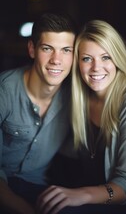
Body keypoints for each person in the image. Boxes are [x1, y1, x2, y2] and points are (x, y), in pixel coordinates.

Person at [36, 20, 126, 214]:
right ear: (78, 63)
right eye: (87, 59)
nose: (96, 67)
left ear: (117, 59)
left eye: (105, 57)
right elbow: (60, 150)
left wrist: (80, 194)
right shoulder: (80, 99)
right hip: (95, 199)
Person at [0, 12, 77, 214]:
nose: (56, 60)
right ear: (32, 49)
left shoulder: (75, 97)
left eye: (66, 50)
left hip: (39, 190)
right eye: (47, 48)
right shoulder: (4, 91)